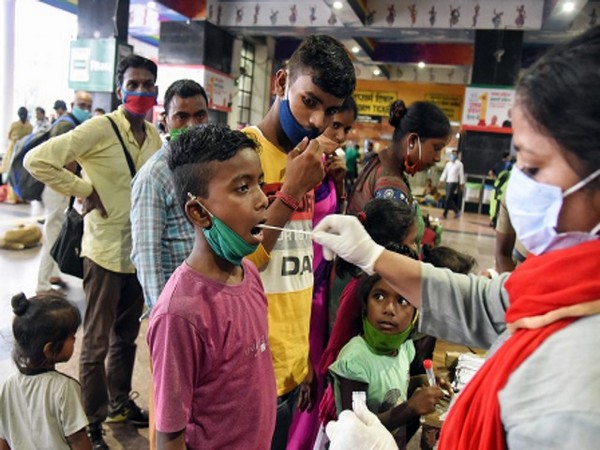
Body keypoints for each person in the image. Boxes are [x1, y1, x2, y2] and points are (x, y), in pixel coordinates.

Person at [314, 25, 600, 449]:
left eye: (535, 168)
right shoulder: (562, 287)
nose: (520, 185)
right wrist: (373, 255)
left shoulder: (577, 396)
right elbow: (485, 303)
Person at [24, 54, 162, 449]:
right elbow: (38, 160)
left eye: (146, 85)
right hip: (102, 253)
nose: (139, 92)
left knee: (126, 337)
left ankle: (120, 403)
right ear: (120, 89)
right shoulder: (100, 129)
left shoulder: (152, 136)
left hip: (138, 254)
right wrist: (85, 190)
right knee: (96, 342)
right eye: (132, 84)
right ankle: (92, 422)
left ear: (154, 90)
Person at [242, 33, 355, 449]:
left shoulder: (311, 160)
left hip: (290, 365)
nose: (317, 121)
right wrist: (288, 194)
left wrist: (303, 358)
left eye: (331, 110)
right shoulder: (239, 155)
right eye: (310, 101)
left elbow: (297, 266)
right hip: (246, 365)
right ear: (280, 82)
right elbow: (240, 265)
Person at [147, 124, 276, 449]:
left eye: (259, 183)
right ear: (198, 212)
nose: (263, 200)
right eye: (243, 188)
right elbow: (169, 435)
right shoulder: (180, 313)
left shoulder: (249, 273)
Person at [287, 95, 357, 450]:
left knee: (311, 387)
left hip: (318, 290)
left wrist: (340, 187)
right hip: (295, 291)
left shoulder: (327, 172)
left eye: (347, 128)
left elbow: (332, 229)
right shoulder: (295, 169)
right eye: (336, 125)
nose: (341, 135)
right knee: (298, 381)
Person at [329, 270, 444, 449]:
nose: (389, 309)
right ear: (365, 305)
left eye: (403, 301)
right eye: (379, 296)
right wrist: (411, 407)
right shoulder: (355, 361)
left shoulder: (404, 347)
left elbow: (389, 386)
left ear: (415, 314)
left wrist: (419, 382)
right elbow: (355, 431)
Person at [131, 79, 209, 317]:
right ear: (165, 120)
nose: (192, 125)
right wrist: (163, 314)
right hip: (176, 302)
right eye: (181, 117)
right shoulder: (154, 175)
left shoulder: (208, 165)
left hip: (206, 295)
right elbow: (146, 254)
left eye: (199, 116)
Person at [347, 99, 451, 244]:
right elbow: (392, 252)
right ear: (412, 142)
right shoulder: (390, 185)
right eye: (436, 148)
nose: (438, 158)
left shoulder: (379, 163)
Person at [0, 292, 91, 450]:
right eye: (71, 336)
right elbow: (78, 440)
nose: (75, 340)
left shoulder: (8, 385)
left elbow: (4, 440)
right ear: (49, 349)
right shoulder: (64, 388)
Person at [35, 90, 94, 295]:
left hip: (57, 188)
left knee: (57, 230)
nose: (85, 109)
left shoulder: (66, 123)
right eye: (82, 105)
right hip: (56, 188)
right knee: (53, 234)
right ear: (72, 104)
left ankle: (53, 275)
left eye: (88, 106)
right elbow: (66, 162)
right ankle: (42, 285)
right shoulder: (67, 126)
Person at [439, 149, 465, 219]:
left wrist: (462, 184)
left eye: (454, 154)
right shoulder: (448, 164)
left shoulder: (459, 164)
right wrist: (441, 180)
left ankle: (444, 214)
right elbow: (445, 172)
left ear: (457, 155)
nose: (453, 155)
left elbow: (461, 174)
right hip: (448, 182)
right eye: (452, 154)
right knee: (449, 199)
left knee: (447, 199)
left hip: (454, 183)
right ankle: (457, 212)